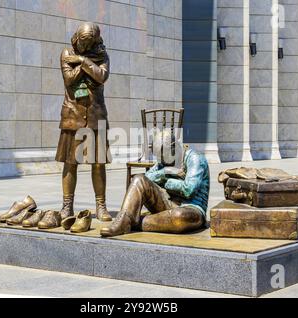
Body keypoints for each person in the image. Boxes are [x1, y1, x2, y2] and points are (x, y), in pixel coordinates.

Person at [40, 22, 112, 228]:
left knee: (98, 163)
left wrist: (81, 61)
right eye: (81, 41)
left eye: (88, 42)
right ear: (76, 38)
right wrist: (88, 65)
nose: (83, 45)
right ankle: (67, 206)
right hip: (72, 115)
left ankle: (101, 206)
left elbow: (102, 76)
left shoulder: (102, 55)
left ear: (95, 41)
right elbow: (69, 79)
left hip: (96, 115)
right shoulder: (66, 53)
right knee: (70, 162)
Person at [101, 130, 210, 237]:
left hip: (191, 209)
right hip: (167, 203)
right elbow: (146, 178)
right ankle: (124, 220)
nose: (160, 161)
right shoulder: (164, 162)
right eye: (159, 157)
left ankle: (134, 222)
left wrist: (167, 182)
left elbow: (188, 190)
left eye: (162, 157)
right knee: (139, 179)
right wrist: (164, 173)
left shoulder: (195, 159)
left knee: (179, 217)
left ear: (173, 148)